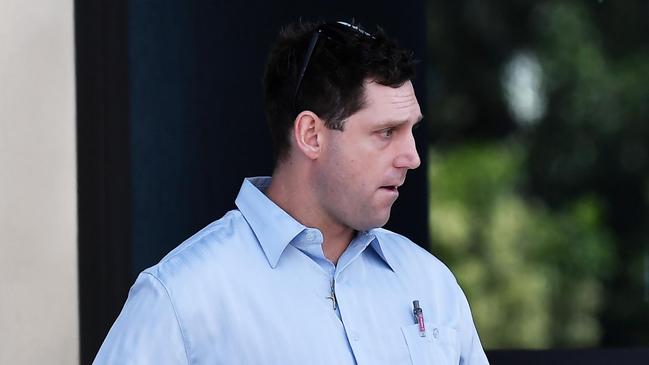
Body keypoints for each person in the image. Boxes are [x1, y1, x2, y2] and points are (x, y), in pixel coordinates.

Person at [94, 20, 489, 365]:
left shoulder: (430, 283)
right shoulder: (181, 298)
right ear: (311, 135)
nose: (412, 157)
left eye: (411, 130)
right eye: (386, 132)